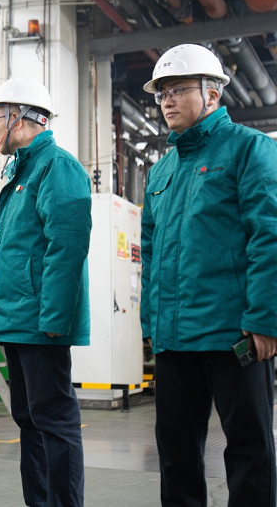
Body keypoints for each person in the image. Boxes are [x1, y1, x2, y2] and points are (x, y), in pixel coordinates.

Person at [140, 44, 277, 506]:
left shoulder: (249, 149)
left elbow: (270, 236)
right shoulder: (161, 171)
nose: (167, 101)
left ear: (213, 94)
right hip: (174, 340)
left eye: (178, 90)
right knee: (176, 455)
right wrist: (150, 324)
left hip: (234, 335)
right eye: (162, 94)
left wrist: (265, 318)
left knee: (249, 452)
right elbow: (151, 253)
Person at [0, 77, 92, 507]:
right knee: (29, 417)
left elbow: (68, 246)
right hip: (18, 319)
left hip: (40, 324)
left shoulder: (56, 166)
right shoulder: (21, 172)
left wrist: (55, 319)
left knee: (54, 419)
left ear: (18, 117)